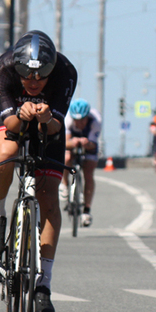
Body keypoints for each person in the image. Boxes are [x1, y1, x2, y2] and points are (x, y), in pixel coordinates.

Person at [0, 30, 77, 312]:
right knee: (6, 152)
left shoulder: (65, 72)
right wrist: (23, 114)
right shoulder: (1, 69)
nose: (34, 82)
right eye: (27, 76)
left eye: (41, 77)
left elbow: (55, 129)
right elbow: (10, 122)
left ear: (51, 70)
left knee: (48, 197)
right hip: (10, 114)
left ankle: (43, 284)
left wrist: (47, 118)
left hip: (49, 124)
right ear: (17, 68)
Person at [62, 98, 101, 228]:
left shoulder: (95, 120)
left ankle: (87, 210)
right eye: (77, 120)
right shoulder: (67, 120)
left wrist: (85, 142)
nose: (79, 123)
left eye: (82, 120)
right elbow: (65, 143)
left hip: (88, 141)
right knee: (66, 157)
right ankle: (65, 185)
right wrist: (73, 142)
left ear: (87, 117)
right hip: (72, 139)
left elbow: (92, 144)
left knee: (89, 173)